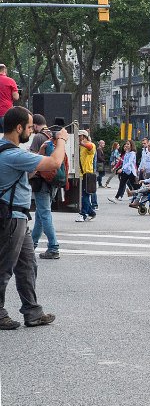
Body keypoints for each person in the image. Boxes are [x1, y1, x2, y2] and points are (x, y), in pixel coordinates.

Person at [0, 106, 66, 329]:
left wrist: (38, 156)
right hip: (11, 216)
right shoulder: (12, 154)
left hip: (17, 215)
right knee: (4, 266)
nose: (31, 131)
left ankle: (32, 311)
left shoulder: (5, 150)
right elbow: (55, 164)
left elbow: (27, 169)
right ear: (18, 128)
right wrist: (61, 141)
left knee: (28, 264)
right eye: (29, 127)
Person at [29, 117, 59, 259]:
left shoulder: (38, 137)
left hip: (41, 181)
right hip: (53, 181)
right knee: (41, 215)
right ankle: (32, 244)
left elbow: (33, 159)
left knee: (44, 214)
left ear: (35, 125)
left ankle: (53, 247)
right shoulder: (52, 135)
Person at [75, 130, 97, 222]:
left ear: (83, 136)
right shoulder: (80, 147)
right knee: (84, 195)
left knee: (85, 195)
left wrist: (81, 143)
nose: (78, 137)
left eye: (79, 136)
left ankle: (83, 214)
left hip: (87, 173)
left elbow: (90, 146)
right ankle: (91, 212)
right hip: (81, 173)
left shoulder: (91, 145)